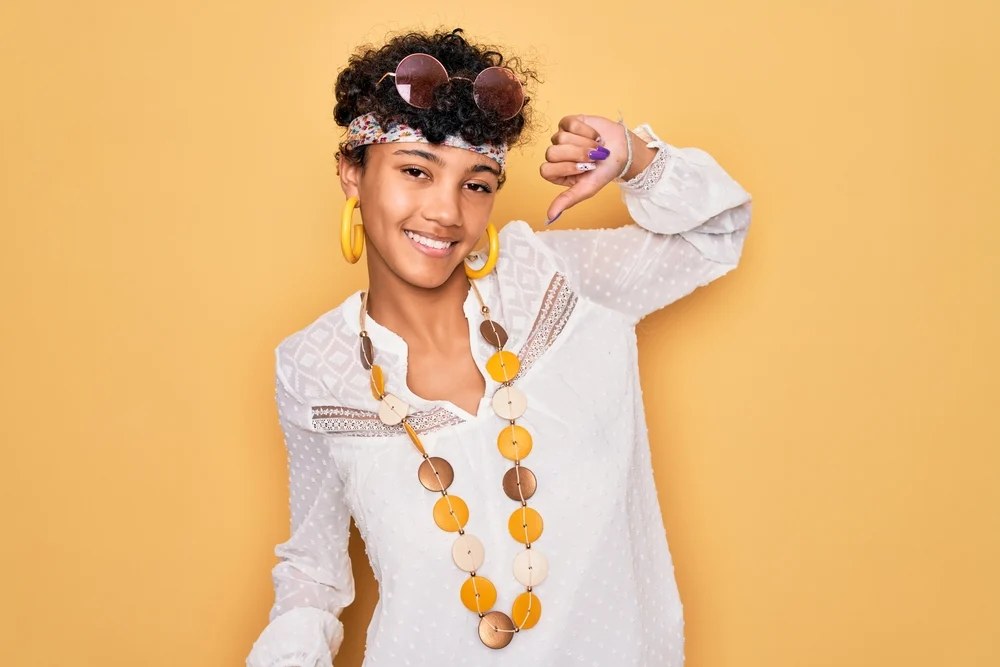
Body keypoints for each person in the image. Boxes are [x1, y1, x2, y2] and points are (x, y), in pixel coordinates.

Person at [247, 27, 752, 667]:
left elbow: (718, 234)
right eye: (415, 171)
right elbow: (314, 576)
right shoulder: (311, 367)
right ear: (352, 172)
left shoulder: (555, 283)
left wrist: (635, 159)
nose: (446, 212)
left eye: (477, 183)